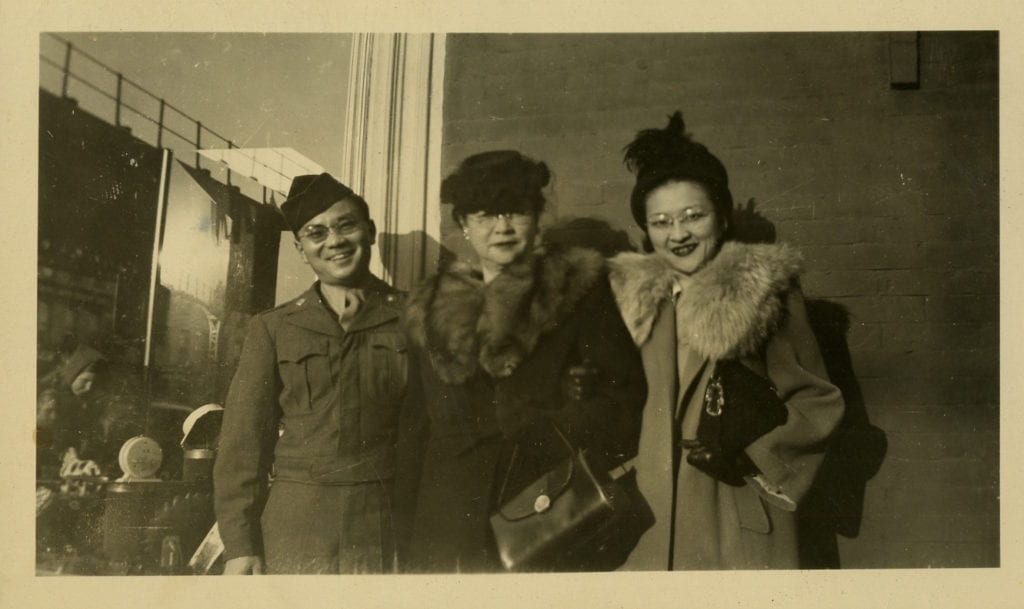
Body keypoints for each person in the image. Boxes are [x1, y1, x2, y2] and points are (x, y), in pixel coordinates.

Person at [608, 112, 845, 569]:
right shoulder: (638, 305)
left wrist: (748, 456)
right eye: (660, 222)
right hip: (653, 523)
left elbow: (819, 401)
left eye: (693, 216)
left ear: (720, 215)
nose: (678, 235)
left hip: (734, 513)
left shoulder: (764, 293)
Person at [394, 150, 647, 572]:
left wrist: (553, 422)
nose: (502, 227)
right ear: (463, 226)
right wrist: (406, 531)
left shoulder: (577, 293)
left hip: (543, 511)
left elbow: (626, 397)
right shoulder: (431, 307)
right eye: (485, 215)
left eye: (516, 211)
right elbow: (415, 425)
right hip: (447, 525)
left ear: (537, 214)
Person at [213, 173, 407, 574]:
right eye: (316, 233)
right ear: (302, 251)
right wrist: (239, 545)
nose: (334, 241)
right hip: (296, 529)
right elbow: (242, 446)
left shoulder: (415, 318)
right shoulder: (273, 328)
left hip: (388, 522)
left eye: (346, 225)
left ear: (370, 232)